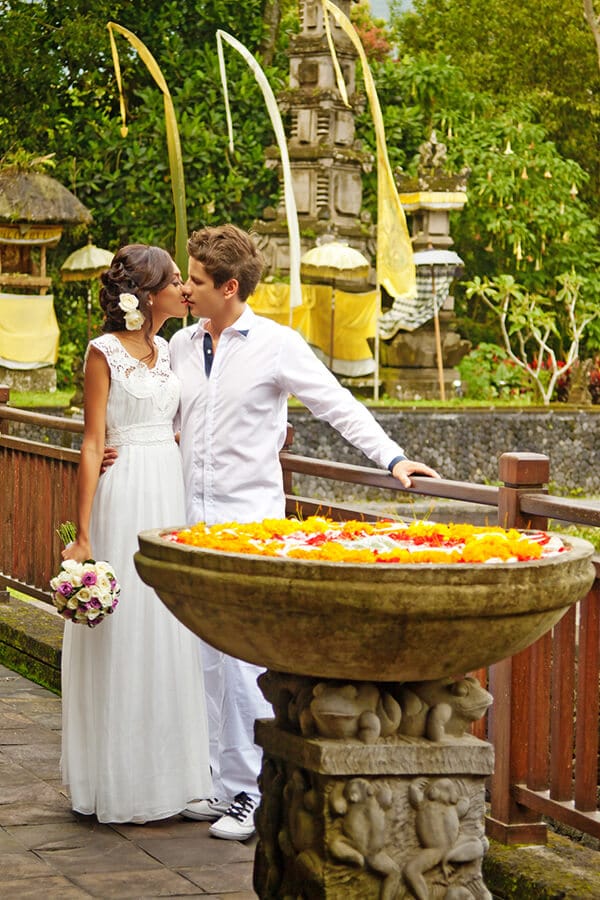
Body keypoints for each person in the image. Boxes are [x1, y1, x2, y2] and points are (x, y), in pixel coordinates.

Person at [170, 224, 440, 841]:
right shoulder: (184, 344)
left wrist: (393, 459)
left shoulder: (276, 345)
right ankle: (220, 780)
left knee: (242, 663)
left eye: (197, 280)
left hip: (249, 528)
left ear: (229, 287)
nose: (187, 287)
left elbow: (337, 404)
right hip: (189, 524)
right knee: (205, 659)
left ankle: (252, 794)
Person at [61, 243, 212, 824]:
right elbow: (94, 441)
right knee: (125, 633)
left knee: (170, 630)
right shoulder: (102, 353)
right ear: (147, 295)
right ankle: (118, 780)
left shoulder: (171, 349)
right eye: (176, 280)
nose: (184, 287)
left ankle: (179, 780)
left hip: (168, 489)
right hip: (124, 496)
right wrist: (82, 534)